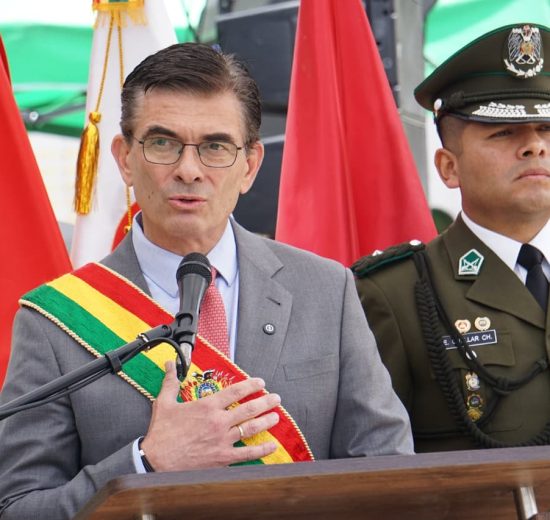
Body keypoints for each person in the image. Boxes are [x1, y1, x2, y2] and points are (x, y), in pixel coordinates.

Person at [0, 43, 413, 519]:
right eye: (162, 143)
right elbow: (18, 508)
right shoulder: (55, 321)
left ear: (250, 165)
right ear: (125, 158)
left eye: (215, 147)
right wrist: (145, 462)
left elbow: (390, 476)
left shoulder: (325, 289)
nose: (189, 170)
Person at [353, 23, 550, 453]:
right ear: (448, 167)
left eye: (546, 130)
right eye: (504, 133)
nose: (535, 147)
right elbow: (376, 460)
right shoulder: (395, 293)